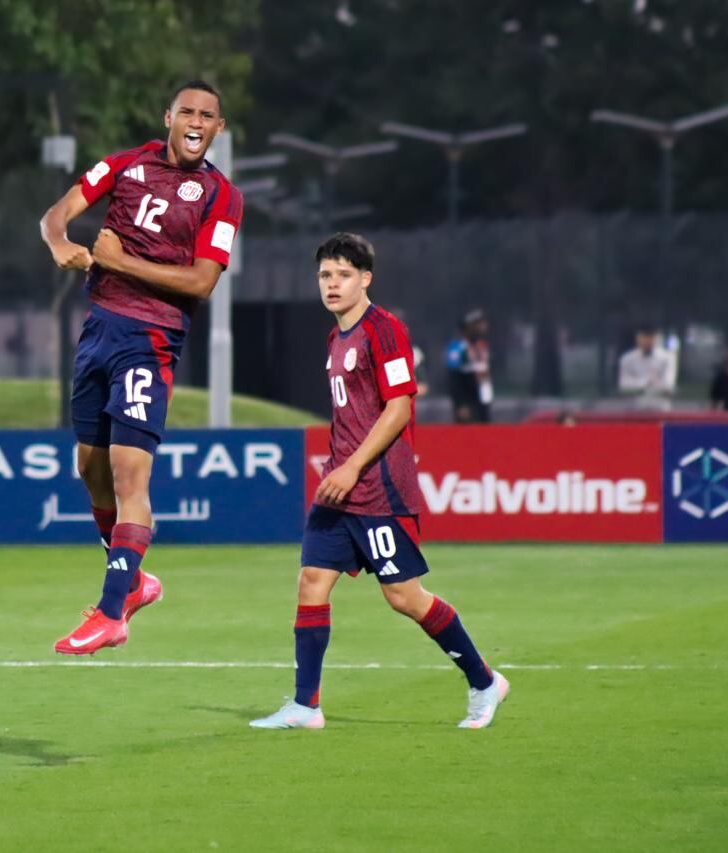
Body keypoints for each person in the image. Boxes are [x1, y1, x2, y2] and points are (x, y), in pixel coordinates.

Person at [250, 233, 507, 731]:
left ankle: (484, 682)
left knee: (404, 597)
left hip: (379, 488)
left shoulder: (384, 329)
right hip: (339, 489)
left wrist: (351, 467)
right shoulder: (335, 337)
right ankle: (306, 706)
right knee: (311, 582)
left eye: (343, 275)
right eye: (325, 275)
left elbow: (398, 409)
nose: (332, 284)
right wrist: (337, 467)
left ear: (365, 279)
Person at [38, 80, 243, 655]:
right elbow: (59, 212)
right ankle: (134, 580)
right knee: (90, 469)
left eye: (208, 115)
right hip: (98, 329)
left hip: (151, 337)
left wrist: (118, 260)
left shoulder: (221, 196)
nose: (196, 121)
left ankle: (110, 612)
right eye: (187, 112)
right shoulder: (126, 164)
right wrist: (58, 241)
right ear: (169, 118)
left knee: (131, 477)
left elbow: (202, 281)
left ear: (218, 129)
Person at [444, 308, 491, 423]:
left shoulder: (482, 345)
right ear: (467, 327)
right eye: (477, 324)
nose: (482, 327)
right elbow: (454, 377)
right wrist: (460, 404)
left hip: (482, 398)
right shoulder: (457, 347)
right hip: (467, 402)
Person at [618, 325, 676, 409]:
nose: (647, 341)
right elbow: (624, 385)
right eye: (644, 337)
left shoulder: (667, 359)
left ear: (657, 339)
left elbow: (668, 385)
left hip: (659, 409)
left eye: (651, 337)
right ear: (638, 338)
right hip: (634, 410)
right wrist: (646, 381)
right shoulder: (627, 359)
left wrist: (637, 384)